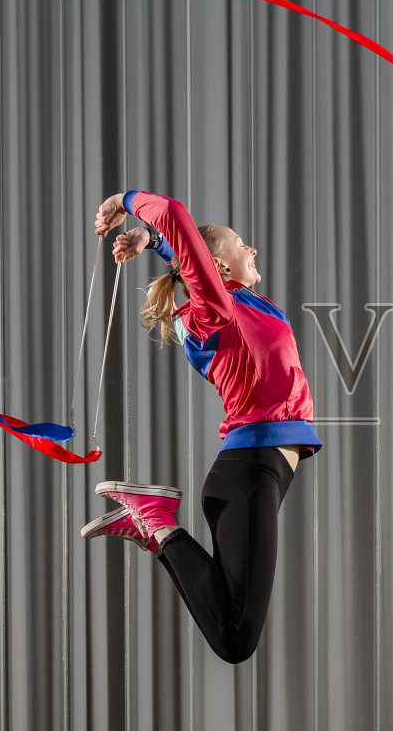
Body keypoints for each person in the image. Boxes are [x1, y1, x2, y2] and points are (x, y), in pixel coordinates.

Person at [84, 190, 323, 664]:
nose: (252, 249)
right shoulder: (213, 310)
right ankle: (154, 519)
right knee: (235, 640)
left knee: (234, 629)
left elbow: (189, 252)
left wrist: (153, 240)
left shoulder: (241, 302)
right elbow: (176, 217)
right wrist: (127, 200)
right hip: (248, 472)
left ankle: (155, 525)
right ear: (218, 264)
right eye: (241, 242)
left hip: (258, 474)